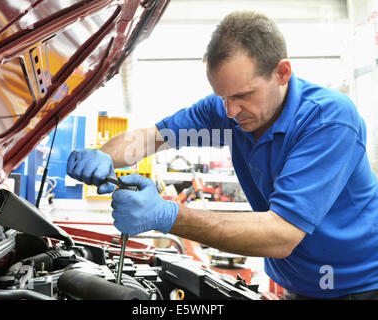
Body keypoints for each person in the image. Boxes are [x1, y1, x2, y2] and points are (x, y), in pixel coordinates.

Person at [66, 11, 378, 300]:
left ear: (282, 73)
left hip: (361, 286)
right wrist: (105, 156)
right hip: (298, 284)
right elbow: (152, 139)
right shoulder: (228, 115)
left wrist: (166, 215)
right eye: (223, 96)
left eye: (243, 95)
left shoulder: (327, 120)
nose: (230, 111)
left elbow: (281, 234)